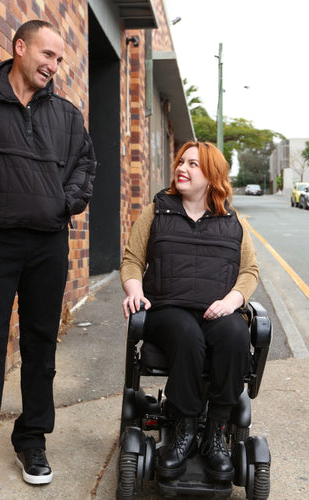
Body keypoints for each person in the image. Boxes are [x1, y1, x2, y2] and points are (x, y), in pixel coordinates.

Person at [0, 20, 96, 492]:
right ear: (19, 47)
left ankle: (32, 439)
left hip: (47, 244)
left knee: (40, 345)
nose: (53, 66)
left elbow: (85, 167)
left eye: (59, 60)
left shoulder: (66, 115)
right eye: (47, 55)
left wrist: (61, 204)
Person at [120, 141, 258, 483]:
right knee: (186, 334)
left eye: (193, 164)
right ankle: (183, 430)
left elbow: (249, 271)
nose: (183, 168)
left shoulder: (233, 222)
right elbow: (133, 260)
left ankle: (216, 432)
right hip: (168, 310)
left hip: (217, 311)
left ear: (212, 177)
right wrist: (134, 291)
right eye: (181, 162)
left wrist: (233, 301)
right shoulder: (156, 212)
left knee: (235, 333)